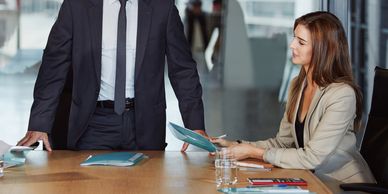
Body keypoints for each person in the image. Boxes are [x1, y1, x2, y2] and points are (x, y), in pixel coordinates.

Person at [17, 0, 206, 151]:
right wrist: (40, 123)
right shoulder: (76, 6)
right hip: (92, 124)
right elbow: (53, 67)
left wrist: (195, 125)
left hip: (146, 124)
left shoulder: (162, 7)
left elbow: (182, 70)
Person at [211, 11, 376, 183]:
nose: (292, 45)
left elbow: (312, 157)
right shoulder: (298, 84)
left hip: (342, 184)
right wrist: (236, 145)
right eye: (294, 38)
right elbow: (282, 144)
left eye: (301, 42)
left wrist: (252, 152)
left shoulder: (342, 95)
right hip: (311, 179)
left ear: (323, 49)